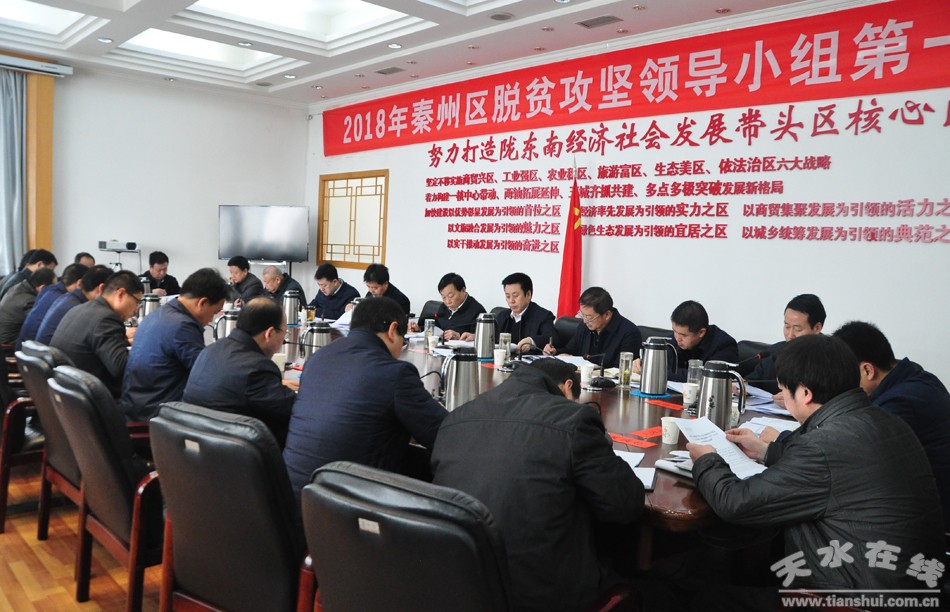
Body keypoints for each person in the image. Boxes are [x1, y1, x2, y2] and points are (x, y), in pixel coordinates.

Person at [687, 335, 944, 607]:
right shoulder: (885, 420)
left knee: (701, 598)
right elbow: (835, 470)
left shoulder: (824, 444)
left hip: (850, 601)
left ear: (805, 394)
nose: (785, 399)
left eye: (784, 391)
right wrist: (766, 451)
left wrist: (707, 460)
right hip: (911, 590)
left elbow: (736, 502)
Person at [431, 358, 644, 611]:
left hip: (459, 587)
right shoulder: (574, 420)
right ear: (566, 389)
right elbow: (625, 505)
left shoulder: (456, 418)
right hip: (538, 594)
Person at [282, 297, 446, 503]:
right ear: (392, 330)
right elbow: (443, 434)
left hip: (292, 500)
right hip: (346, 506)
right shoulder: (394, 373)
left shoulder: (317, 359)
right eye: (402, 339)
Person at [833, 320, 950, 526]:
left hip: (932, 517)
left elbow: (851, 457)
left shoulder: (897, 404)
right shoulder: (919, 378)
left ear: (867, 370)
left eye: (844, 375)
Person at [184, 297, 298, 446]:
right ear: (269, 333)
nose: (283, 341)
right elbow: (297, 410)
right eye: (284, 334)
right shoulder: (258, 368)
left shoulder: (210, 350)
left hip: (196, 447)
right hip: (235, 453)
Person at [120, 268, 229, 421]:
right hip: (156, 416)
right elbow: (205, 376)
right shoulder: (183, 326)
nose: (211, 319)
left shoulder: (157, 314)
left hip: (137, 406)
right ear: (202, 303)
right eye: (214, 312)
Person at [50, 271, 144, 398]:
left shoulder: (79, 308)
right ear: (121, 293)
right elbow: (121, 368)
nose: (136, 309)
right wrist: (144, 348)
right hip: (92, 398)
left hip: (67, 394)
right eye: (137, 302)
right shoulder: (106, 318)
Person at [543, 286, 642, 368]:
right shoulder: (584, 326)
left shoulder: (629, 333)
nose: (585, 321)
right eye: (583, 315)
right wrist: (554, 352)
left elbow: (620, 370)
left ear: (607, 315)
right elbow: (570, 350)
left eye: (589, 317)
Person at [645, 300, 737, 382]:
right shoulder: (673, 340)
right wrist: (643, 363)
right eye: (674, 331)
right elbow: (659, 366)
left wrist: (661, 371)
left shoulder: (724, 345)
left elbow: (707, 377)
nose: (677, 338)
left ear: (701, 332)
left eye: (683, 335)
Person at [463, 272, 555, 354]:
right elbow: (494, 337)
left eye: (515, 295)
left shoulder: (543, 315)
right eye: (507, 296)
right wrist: (477, 337)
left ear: (528, 295)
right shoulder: (503, 316)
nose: (511, 301)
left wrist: (531, 341)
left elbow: (553, 337)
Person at [746, 294, 826, 388]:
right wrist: (741, 386)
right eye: (787, 326)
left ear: (817, 328)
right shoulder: (775, 351)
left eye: (797, 329)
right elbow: (752, 381)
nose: (790, 335)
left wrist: (792, 395)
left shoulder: (830, 359)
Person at [35, 265, 112, 346]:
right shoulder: (79, 308)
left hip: (42, 350)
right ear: (101, 289)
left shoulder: (67, 297)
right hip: (53, 351)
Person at [17, 262, 88, 349]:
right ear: (79, 283)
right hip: (36, 351)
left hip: (26, 350)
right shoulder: (65, 300)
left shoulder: (50, 290)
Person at [417, 272, 486, 341]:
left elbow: (481, 338)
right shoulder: (444, 307)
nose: (447, 302)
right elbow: (437, 327)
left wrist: (459, 336)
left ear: (463, 290)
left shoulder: (477, 311)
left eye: (451, 296)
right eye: (443, 297)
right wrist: (419, 329)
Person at [0, 268, 57, 344]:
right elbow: (40, 324)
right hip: (9, 343)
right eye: (54, 288)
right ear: (42, 288)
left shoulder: (20, 286)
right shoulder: (29, 301)